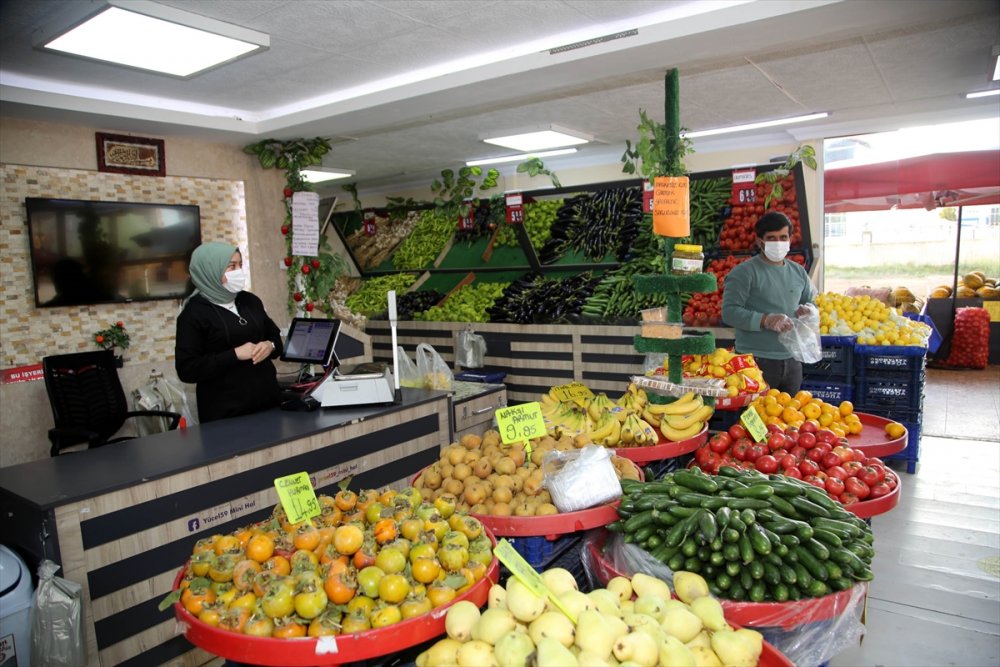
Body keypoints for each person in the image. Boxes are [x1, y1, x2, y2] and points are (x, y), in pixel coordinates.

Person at [175, 241, 283, 423]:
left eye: (240, 265)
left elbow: (276, 339)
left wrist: (269, 346)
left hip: (268, 404)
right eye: (232, 266)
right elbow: (187, 370)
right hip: (225, 414)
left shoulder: (250, 301)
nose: (239, 271)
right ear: (210, 271)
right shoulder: (193, 314)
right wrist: (234, 354)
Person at [721, 211, 816, 394]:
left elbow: (810, 301)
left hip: (792, 360)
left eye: (783, 237)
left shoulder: (798, 272)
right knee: (754, 417)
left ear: (790, 239)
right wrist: (765, 320)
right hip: (755, 360)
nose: (778, 243)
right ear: (759, 241)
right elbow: (729, 312)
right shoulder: (744, 273)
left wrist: (810, 311)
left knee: (788, 416)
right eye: (772, 238)